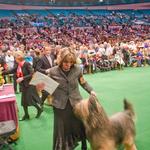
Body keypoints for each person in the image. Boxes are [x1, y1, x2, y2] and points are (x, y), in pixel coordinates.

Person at [46, 47, 96, 150]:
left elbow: (83, 82)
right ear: (60, 60)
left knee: (81, 125)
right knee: (62, 130)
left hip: (77, 103)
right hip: (60, 105)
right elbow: (48, 89)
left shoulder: (78, 69)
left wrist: (91, 90)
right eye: (65, 62)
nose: (68, 65)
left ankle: (84, 144)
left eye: (71, 62)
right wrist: (42, 88)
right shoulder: (52, 71)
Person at [2, 50, 43, 120]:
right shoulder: (18, 65)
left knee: (30, 100)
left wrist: (22, 78)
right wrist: (2, 73)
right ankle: (26, 115)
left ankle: (39, 109)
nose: (14, 59)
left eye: (15, 57)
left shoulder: (27, 64)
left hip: (29, 85)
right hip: (24, 85)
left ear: (19, 58)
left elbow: (31, 74)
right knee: (24, 101)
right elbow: (11, 70)